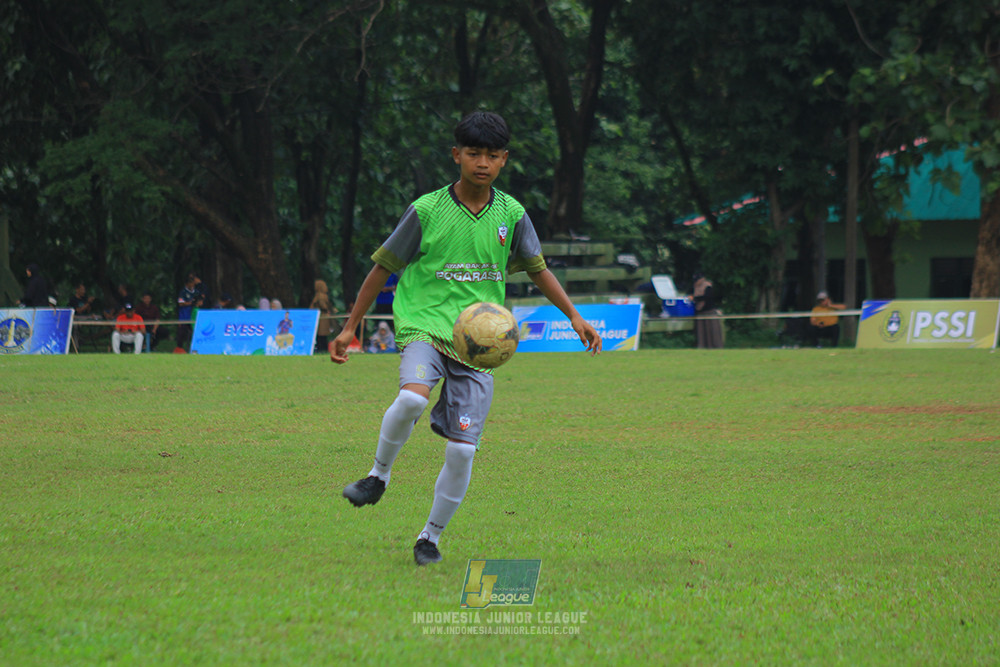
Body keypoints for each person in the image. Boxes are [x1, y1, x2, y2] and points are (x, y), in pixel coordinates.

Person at [331, 111, 602, 566]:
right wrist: (348, 327)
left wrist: (574, 315)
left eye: (492, 156)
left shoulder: (512, 215)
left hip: (482, 344)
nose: (482, 163)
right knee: (413, 400)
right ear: (456, 154)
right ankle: (378, 476)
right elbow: (382, 268)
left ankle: (429, 539)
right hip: (427, 327)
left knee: (461, 450)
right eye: (473, 153)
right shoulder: (427, 210)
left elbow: (538, 269)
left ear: (504, 160)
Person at [693, 272, 724, 349]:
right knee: (701, 331)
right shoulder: (695, 287)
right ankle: (702, 346)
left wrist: (696, 298)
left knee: (713, 331)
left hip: (709, 311)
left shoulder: (707, 286)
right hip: (700, 312)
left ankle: (715, 346)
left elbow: (708, 297)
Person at [176, 273, 204, 352]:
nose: (192, 286)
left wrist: (198, 303)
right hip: (184, 315)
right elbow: (180, 303)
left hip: (193, 314)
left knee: (192, 332)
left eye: (193, 284)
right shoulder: (183, 292)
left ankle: (192, 348)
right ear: (187, 284)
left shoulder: (196, 292)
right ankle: (179, 348)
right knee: (182, 332)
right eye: (190, 284)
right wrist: (189, 303)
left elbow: (201, 301)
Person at [310, 279, 338, 353]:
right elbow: (324, 306)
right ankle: (323, 349)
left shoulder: (317, 296)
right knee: (323, 335)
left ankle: (321, 348)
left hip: (321, 317)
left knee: (321, 336)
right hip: (323, 317)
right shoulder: (322, 296)